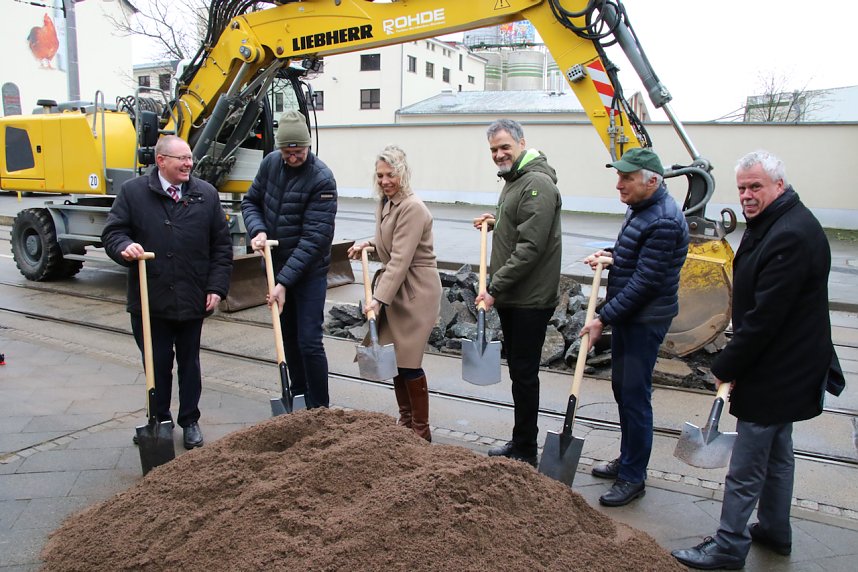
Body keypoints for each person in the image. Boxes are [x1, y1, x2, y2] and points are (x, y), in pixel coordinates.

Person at [671, 150, 844, 570]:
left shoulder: (789, 234)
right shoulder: (779, 222)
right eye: (742, 188)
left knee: (747, 464)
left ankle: (728, 546)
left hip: (779, 368)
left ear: (778, 185)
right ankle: (774, 530)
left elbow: (766, 318)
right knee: (779, 453)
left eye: (756, 187)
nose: (747, 195)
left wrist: (726, 366)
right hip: (791, 362)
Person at [102, 135, 233, 450]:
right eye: (181, 159)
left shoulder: (207, 195)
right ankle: (158, 420)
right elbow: (112, 232)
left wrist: (216, 288)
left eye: (190, 158)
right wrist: (124, 246)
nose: (189, 164)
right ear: (161, 161)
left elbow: (221, 246)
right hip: (150, 299)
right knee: (156, 364)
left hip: (192, 296)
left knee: (190, 363)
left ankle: (190, 421)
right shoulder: (133, 193)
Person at [580, 147, 688, 506]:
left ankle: (633, 477)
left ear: (652, 181)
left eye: (626, 178)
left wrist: (602, 317)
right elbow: (635, 254)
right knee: (622, 390)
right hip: (632, 316)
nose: (619, 184)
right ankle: (628, 460)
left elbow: (646, 283)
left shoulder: (665, 221)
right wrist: (611, 256)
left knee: (635, 396)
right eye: (619, 176)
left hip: (644, 319)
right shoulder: (643, 209)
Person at [474, 118, 562, 468]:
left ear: (522, 143)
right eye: (494, 149)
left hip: (529, 298)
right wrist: (498, 221)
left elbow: (531, 246)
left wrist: (494, 288)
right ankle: (521, 439)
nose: (499, 154)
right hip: (517, 296)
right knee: (519, 373)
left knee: (524, 375)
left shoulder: (536, 183)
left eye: (504, 147)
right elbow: (521, 223)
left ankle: (526, 448)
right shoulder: (516, 180)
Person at [241, 110, 337, 409]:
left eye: (299, 151)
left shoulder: (321, 179)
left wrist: (283, 282)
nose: (293, 157)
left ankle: (319, 408)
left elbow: (314, 240)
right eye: (287, 151)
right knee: (288, 341)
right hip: (276, 267)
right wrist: (257, 231)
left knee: (309, 340)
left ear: (308, 147)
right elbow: (251, 201)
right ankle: (297, 398)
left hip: (308, 273)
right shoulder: (270, 163)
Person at [347, 146, 441, 441]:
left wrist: (377, 299)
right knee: (397, 362)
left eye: (391, 175)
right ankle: (406, 422)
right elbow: (390, 244)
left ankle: (421, 432)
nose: (385, 180)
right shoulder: (386, 203)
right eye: (380, 175)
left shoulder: (413, 207)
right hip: (397, 288)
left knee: (409, 362)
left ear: (403, 173)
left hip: (415, 291)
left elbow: (401, 259)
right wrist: (368, 245)